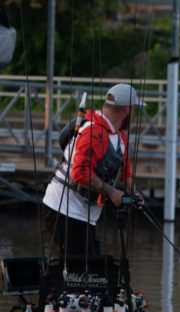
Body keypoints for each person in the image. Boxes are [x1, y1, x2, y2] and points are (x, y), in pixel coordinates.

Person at [42, 83, 144, 257]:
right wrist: (112, 193)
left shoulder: (120, 137)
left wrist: (133, 192)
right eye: (134, 109)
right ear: (127, 109)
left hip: (86, 214)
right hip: (64, 209)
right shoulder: (94, 133)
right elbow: (80, 173)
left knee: (93, 269)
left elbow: (125, 170)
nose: (133, 114)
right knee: (81, 272)